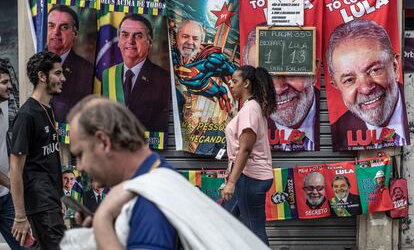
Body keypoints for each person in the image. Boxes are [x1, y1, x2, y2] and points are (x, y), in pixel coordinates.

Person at [65, 96, 268, 250]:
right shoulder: (160, 177)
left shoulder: (150, 202)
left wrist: (102, 221)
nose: (80, 166)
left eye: (81, 153)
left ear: (104, 142)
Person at [10, 51, 66, 249]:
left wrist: (59, 198)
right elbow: (15, 170)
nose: (63, 78)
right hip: (40, 204)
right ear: (42, 77)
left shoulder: (48, 110)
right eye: (58, 74)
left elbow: (49, 159)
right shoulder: (27, 116)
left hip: (51, 201)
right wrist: (20, 216)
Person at [326, 19, 409, 150]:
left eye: (374, 70)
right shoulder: (338, 133)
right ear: (336, 85)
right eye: (349, 80)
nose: (365, 89)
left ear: (395, 67)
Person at [221, 65, 276, 245]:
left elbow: (245, 150)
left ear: (246, 84)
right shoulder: (250, 108)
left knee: (254, 230)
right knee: (225, 221)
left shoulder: (250, 110)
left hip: (250, 178)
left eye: (235, 81)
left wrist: (231, 183)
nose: (230, 83)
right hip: (247, 177)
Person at [243, 26, 319, 151]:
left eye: (290, 70)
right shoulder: (249, 129)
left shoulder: (344, 125)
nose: (278, 89)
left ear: (315, 72)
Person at [101, 13, 170, 135]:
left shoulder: (164, 79)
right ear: (118, 41)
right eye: (125, 35)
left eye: (138, 36)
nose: (130, 41)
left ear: (150, 42)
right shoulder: (107, 75)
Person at [172, 19, 237, 113]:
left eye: (195, 38)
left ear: (201, 41)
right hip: (183, 97)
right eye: (185, 36)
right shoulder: (172, 54)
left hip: (205, 87)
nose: (190, 42)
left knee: (220, 92)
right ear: (177, 37)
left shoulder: (212, 59)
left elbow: (235, 73)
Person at [47, 5, 94, 124]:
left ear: (75, 34)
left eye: (63, 27)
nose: (55, 32)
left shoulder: (87, 71)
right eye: (51, 26)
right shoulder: (34, 61)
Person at [0, 62, 26, 249]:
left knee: (25, 245)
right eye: (4, 82)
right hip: (7, 188)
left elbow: (5, 147)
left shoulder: (3, 109)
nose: (10, 86)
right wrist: (14, 184)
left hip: (4, 196)